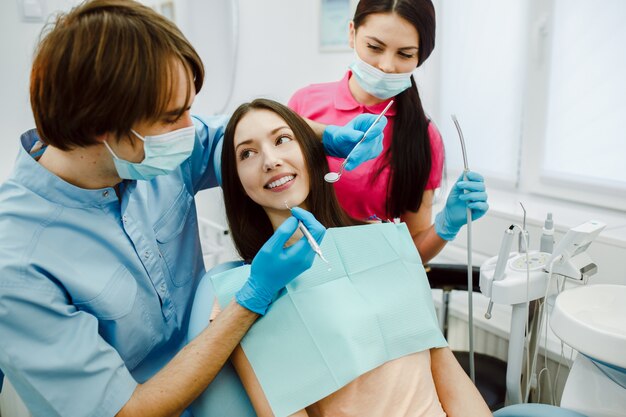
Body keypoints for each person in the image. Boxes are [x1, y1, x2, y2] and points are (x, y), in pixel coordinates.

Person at [0, 1, 387, 416]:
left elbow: (235, 130)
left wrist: (327, 137)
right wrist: (253, 297)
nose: (191, 127)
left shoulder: (149, 150)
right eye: (172, 117)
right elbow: (127, 411)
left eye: (189, 107)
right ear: (102, 129)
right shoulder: (18, 264)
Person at [216, 98, 492, 417]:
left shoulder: (384, 242)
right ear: (236, 179)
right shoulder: (244, 299)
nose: (270, 160)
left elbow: (446, 371)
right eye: (247, 153)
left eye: (282, 139)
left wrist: (445, 226)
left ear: (309, 150)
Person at [289, 0, 489, 264]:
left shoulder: (423, 137)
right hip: (296, 270)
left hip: (368, 275)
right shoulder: (305, 103)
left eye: (404, 54)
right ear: (352, 33)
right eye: (374, 47)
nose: (386, 65)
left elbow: (412, 252)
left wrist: (446, 226)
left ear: (421, 56)